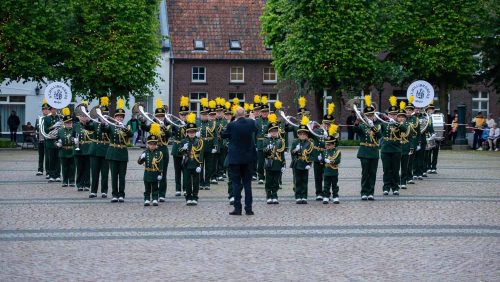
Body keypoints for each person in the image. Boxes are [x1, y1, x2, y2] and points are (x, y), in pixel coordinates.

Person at [222, 107, 258, 215]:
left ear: (235, 114)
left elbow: (223, 135)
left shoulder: (232, 125)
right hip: (248, 159)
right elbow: (257, 128)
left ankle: (237, 208)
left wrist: (229, 123)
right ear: (245, 114)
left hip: (235, 159)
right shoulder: (251, 123)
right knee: (247, 185)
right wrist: (253, 118)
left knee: (236, 185)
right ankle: (249, 208)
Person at [140, 98, 171, 202]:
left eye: (161, 116)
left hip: (163, 149)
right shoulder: (153, 125)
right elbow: (145, 128)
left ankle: (162, 194)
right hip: (153, 150)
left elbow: (170, 135)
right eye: (158, 116)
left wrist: (164, 128)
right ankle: (152, 195)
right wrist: (143, 121)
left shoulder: (168, 124)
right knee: (152, 173)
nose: (160, 118)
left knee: (163, 173)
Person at [353, 95, 381, 200]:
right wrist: (356, 121)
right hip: (364, 152)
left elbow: (380, 136)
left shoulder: (377, 126)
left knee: (372, 173)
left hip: (373, 151)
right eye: (368, 115)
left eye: (371, 115)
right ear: (365, 116)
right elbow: (355, 130)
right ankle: (364, 192)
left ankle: (371, 192)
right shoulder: (362, 126)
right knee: (365, 173)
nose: (370, 117)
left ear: (374, 115)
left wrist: (372, 126)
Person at [104, 99, 132, 203]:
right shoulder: (111, 126)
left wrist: (123, 128)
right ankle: (114, 194)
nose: (119, 118)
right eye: (118, 116)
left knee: (122, 175)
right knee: (114, 175)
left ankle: (121, 194)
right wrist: (103, 123)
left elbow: (131, 134)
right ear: (115, 117)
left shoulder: (126, 127)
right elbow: (105, 130)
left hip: (123, 153)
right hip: (113, 153)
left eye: (121, 117)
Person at [380, 96, 407, 196]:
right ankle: (386, 187)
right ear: (388, 115)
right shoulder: (384, 123)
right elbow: (378, 131)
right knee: (386, 170)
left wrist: (396, 123)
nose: (393, 116)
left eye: (395, 114)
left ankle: (395, 187)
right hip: (386, 149)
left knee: (395, 169)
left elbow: (405, 129)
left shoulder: (399, 124)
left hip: (396, 149)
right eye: (391, 114)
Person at [179, 113, 204, 206]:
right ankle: (188, 197)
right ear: (187, 133)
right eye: (190, 132)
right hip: (187, 164)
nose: (191, 133)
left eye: (193, 132)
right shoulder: (183, 141)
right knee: (187, 182)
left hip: (196, 164)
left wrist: (200, 165)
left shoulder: (199, 141)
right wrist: (183, 149)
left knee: (196, 182)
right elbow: (179, 153)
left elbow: (201, 153)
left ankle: (195, 197)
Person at [88, 97, 111, 198]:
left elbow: (107, 130)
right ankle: (93, 191)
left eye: (105, 114)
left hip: (105, 150)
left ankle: (104, 191)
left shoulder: (111, 124)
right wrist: (85, 120)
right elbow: (88, 127)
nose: (103, 116)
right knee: (94, 172)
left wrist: (104, 123)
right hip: (95, 150)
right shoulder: (95, 123)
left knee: (105, 173)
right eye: (102, 114)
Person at [138, 124, 164, 206]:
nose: (152, 146)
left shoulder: (159, 153)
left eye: (154, 144)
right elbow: (139, 162)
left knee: (155, 187)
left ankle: (155, 198)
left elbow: (161, 164)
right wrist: (141, 158)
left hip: (155, 173)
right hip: (147, 173)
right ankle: (147, 199)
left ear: (156, 145)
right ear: (148, 144)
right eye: (150, 144)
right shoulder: (145, 153)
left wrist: (160, 173)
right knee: (147, 188)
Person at [262, 113, 286, 204]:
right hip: (269, 162)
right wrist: (268, 148)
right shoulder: (266, 140)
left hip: (277, 163)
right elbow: (263, 151)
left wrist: (283, 163)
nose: (274, 133)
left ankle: (275, 195)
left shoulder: (280, 141)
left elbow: (282, 153)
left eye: (275, 131)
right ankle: (268, 195)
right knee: (268, 181)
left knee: (276, 181)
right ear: (269, 132)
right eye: (272, 131)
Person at [291, 116, 314, 204]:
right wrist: (295, 150)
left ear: (307, 135)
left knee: (304, 181)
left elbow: (312, 154)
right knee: (298, 181)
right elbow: (292, 153)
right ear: (298, 134)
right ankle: (298, 196)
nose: (302, 135)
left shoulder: (309, 143)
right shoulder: (295, 142)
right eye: (300, 134)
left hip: (305, 164)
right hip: (297, 163)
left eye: (304, 134)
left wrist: (310, 163)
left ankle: (304, 196)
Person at [171, 96, 189, 197]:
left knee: (186, 170)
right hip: (177, 149)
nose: (183, 116)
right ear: (179, 115)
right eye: (182, 115)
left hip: (186, 149)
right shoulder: (175, 123)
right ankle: (178, 189)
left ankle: (186, 188)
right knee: (177, 170)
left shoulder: (190, 124)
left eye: (185, 114)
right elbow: (170, 132)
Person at [199, 98, 217, 190]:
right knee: (200, 165)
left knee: (209, 166)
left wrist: (215, 146)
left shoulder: (212, 124)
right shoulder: (197, 123)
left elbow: (215, 135)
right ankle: (201, 182)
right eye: (203, 115)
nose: (204, 116)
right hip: (199, 147)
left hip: (209, 146)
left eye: (206, 115)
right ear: (200, 115)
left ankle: (207, 182)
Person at [73, 102, 92, 192]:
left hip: (88, 149)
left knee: (87, 168)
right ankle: (80, 184)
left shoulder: (90, 125)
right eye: (82, 116)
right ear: (78, 117)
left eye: (85, 116)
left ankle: (87, 184)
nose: (83, 117)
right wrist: (73, 140)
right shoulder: (75, 125)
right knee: (79, 168)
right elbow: (71, 135)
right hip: (78, 149)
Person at [321, 124, 341, 204]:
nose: (327, 146)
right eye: (327, 144)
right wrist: (321, 160)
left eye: (329, 144)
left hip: (334, 171)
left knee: (334, 185)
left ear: (333, 144)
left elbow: (338, 160)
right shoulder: (325, 151)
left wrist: (331, 161)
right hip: (326, 171)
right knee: (326, 185)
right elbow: (323, 160)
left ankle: (335, 196)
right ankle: (326, 196)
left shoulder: (337, 152)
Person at [56, 108, 76, 187]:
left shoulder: (75, 130)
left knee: (72, 167)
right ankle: (65, 181)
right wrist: (57, 144)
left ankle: (71, 181)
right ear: (64, 123)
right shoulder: (60, 131)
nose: (69, 124)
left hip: (72, 150)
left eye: (70, 122)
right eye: (67, 123)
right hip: (63, 151)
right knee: (64, 167)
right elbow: (56, 140)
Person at [43, 106, 62, 182]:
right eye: (53, 109)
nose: (54, 110)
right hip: (50, 141)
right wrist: (53, 126)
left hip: (58, 141)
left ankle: (57, 175)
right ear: (50, 110)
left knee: (58, 159)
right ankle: (51, 175)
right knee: (51, 159)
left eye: (55, 109)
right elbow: (45, 130)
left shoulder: (60, 118)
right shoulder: (46, 119)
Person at [256, 96, 270, 185]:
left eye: (266, 112)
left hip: (268, 143)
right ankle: (261, 177)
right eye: (263, 112)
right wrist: (254, 145)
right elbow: (254, 133)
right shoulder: (257, 121)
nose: (265, 113)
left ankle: (268, 176)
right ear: (260, 112)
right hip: (259, 143)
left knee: (269, 161)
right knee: (260, 162)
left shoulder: (271, 120)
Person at [35, 100, 50, 176]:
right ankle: (40, 170)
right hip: (40, 140)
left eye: (47, 109)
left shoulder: (50, 118)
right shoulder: (39, 119)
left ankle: (48, 171)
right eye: (44, 109)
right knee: (41, 156)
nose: (45, 110)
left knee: (48, 157)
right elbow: (36, 129)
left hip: (48, 140)